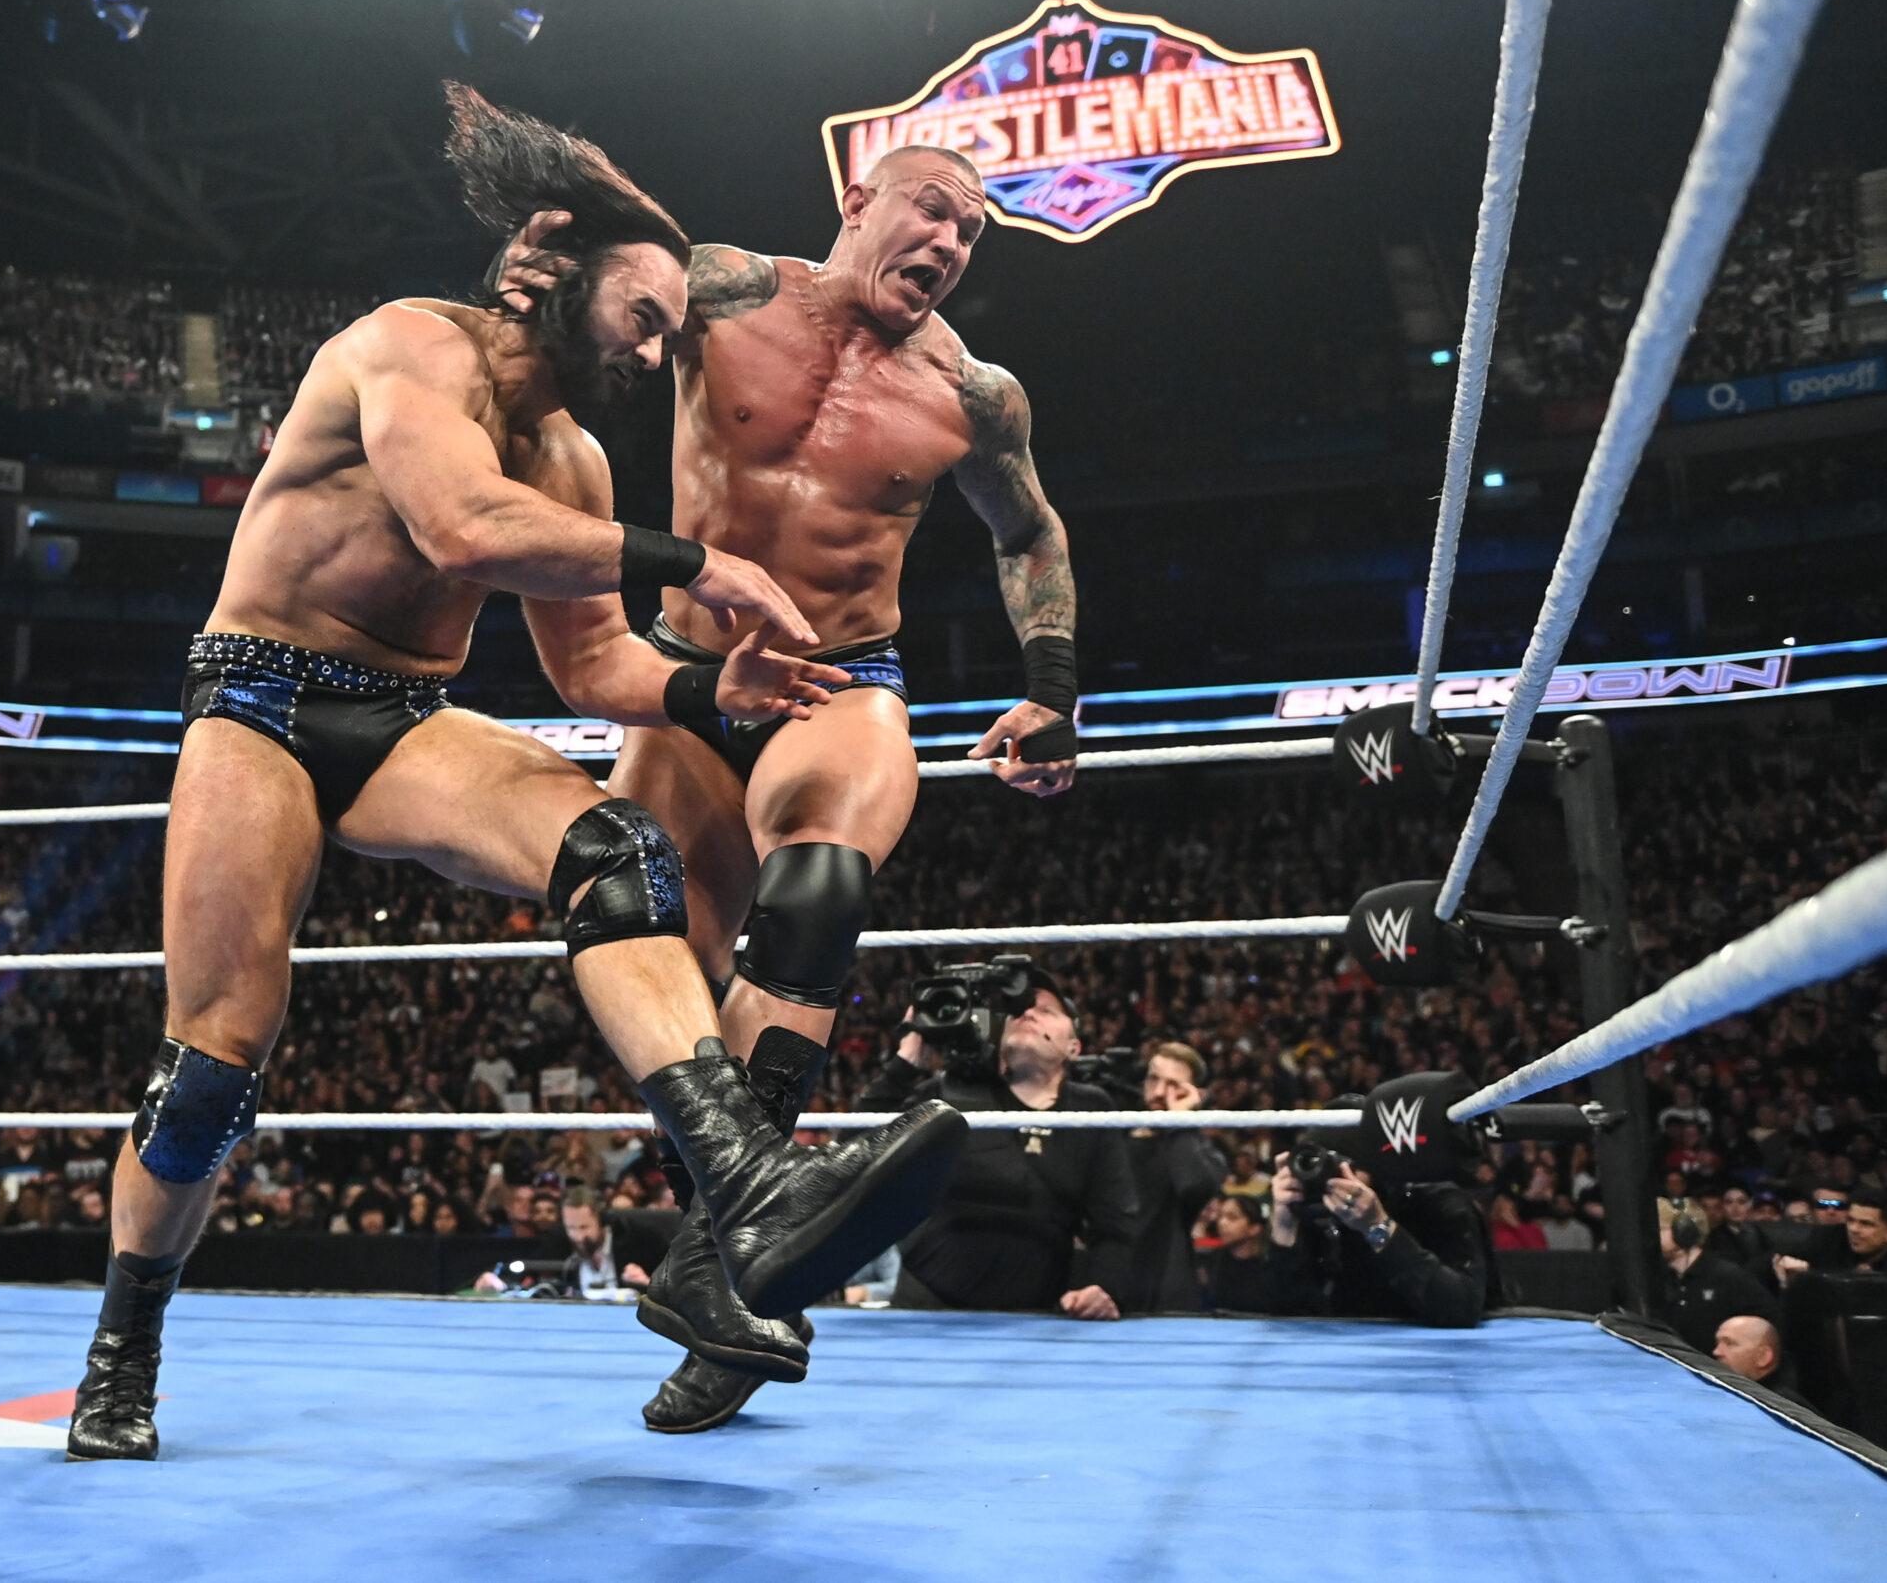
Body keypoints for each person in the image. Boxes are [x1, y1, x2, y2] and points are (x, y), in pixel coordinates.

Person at [64, 86, 965, 1462]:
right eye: (642, 315)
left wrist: (702, 690)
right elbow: (460, 524)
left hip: (402, 720)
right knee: (212, 1065)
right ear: (555, 268)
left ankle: (745, 1177)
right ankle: (124, 1344)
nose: (652, 348)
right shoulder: (410, 345)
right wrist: (700, 562)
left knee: (615, 847)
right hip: (257, 698)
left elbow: (592, 664)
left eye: (668, 330)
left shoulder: (576, 459)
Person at [496, 144, 1079, 1430]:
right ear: (857, 201)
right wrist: (528, 276)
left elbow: (1028, 531)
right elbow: (595, 305)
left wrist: (1052, 682)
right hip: (691, 681)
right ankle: (736, 1267)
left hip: (838, 680)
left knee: (817, 888)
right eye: (934, 210)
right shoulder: (724, 289)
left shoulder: (975, 395)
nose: (951, 242)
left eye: (973, 233)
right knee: (660, 973)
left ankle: (722, 1270)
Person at [854, 974, 1139, 1320]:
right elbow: (853, 1156)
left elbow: (1115, 1223)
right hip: (928, 1311)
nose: (1028, 1013)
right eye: (1018, 1009)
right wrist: (905, 1064)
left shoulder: (1090, 1108)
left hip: (1035, 1319)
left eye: (1046, 1010)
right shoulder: (950, 1093)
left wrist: (1104, 1285)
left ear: (1073, 1047)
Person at [1263, 1138, 1492, 1328]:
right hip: (1350, 1350)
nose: (1329, 1179)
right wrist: (1284, 1227)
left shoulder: (1434, 1199)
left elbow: (1461, 1309)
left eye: (1340, 1166)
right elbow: (1292, 1315)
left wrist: (1377, 1226)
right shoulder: (1313, 1205)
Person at [1121, 1044, 1229, 1312]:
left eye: (1173, 1085)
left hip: (1166, 1287)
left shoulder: (1205, 1154)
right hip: (1109, 1280)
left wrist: (1179, 1123)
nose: (1158, 1092)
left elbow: (1193, 1187)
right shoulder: (1115, 1138)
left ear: (1195, 1095)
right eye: (1153, 1079)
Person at [1658, 1199, 1778, 1353]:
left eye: (1660, 1228)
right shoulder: (1662, 1279)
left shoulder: (1728, 1276)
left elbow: (1769, 1324)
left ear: (1683, 1231)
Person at [1711, 1314, 1811, 1409]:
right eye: (1718, 1343)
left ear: (1763, 1356)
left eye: (1730, 1343)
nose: (1716, 1352)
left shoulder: (1785, 1409)